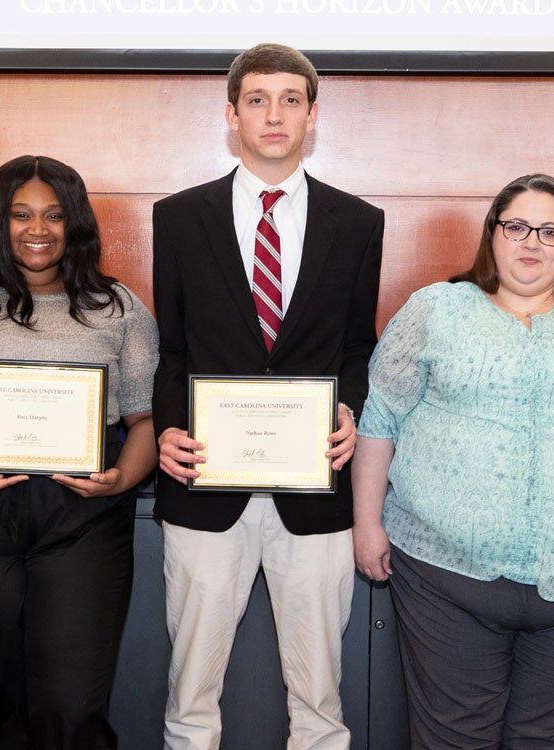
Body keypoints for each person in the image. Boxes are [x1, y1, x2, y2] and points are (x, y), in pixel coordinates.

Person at [352, 174, 554, 749]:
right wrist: (367, 524)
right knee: (452, 740)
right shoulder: (435, 310)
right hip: (445, 577)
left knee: (548, 742)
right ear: (492, 233)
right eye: (516, 226)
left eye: (550, 231)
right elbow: (380, 423)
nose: (531, 243)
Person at [150, 42, 381, 750]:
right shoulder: (178, 216)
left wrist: (348, 412)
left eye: (289, 100)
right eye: (257, 99)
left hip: (315, 491)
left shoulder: (357, 221)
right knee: (191, 696)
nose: (273, 114)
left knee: (319, 701)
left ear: (312, 116)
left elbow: (354, 348)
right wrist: (165, 431)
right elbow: (174, 349)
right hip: (203, 486)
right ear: (231, 114)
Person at [0, 155, 159, 749]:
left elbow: (147, 418)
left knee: (72, 704)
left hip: (84, 514)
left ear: (76, 225)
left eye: (54, 215)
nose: (37, 229)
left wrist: (123, 476)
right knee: (11, 696)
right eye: (20, 214)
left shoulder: (117, 307)